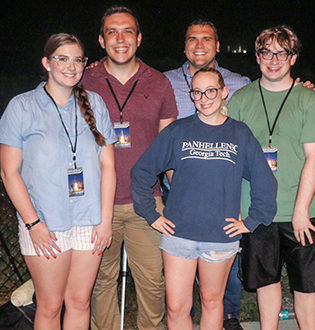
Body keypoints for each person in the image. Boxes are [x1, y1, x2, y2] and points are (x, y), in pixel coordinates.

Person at [131, 67, 277, 330]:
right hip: (179, 235)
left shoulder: (240, 134)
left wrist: (254, 220)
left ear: (224, 92)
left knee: (211, 301)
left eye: (211, 90)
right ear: (192, 96)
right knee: (177, 307)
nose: (204, 97)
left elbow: (264, 180)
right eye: (197, 92)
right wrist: (151, 214)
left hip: (220, 236)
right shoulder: (178, 131)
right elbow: (142, 171)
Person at [0, 33, 116, 329]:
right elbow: (8, 172)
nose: (71, 66)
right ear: (47, 63)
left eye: (77, 60)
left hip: (89, 222)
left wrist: (105, 220)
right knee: (50, 306)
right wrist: (33, 224)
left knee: (79, 302)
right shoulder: (22, 107)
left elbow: (108, 166)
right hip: (44, 224)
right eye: (62, 58)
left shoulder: (96, 104)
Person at [81, 6, 178, 330]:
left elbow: (169, 149)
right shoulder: (83, 79)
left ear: (138, 38)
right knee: (99, 283)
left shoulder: (159, 82)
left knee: (152, 283)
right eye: (112, 32)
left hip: (146, 203)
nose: (120, 39)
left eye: (127, 31)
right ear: (101, 39)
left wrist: (178, 195)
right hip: (96, 205)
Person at [229, 25, 315, 330]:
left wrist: (301, 211)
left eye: (281, 52)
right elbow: (233, 159)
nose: (273, 59)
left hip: (304, 211)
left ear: (293, 57)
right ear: (257, 57)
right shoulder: (240, 100)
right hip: (257, 211)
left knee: (307, 286)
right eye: (266, 52)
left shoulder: (309, 100)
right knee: (265, 283)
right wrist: (237, 207)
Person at [163, 20, 250, 329]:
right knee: (180, 285)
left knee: (222, 273)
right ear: (184, 45)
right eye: (192, 39)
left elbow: (263, 109)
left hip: (223, 195)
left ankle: (229, 318)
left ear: (217, 45)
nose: (199, 44)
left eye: (206, 39)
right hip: (178, 194)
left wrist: (300, 88)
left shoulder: (239, 84)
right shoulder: (164, 82)